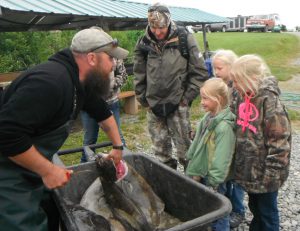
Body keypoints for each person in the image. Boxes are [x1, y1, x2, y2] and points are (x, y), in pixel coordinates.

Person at [0, 27, 128, 230]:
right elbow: (7, 135)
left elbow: (103, 114)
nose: (113, 65)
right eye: (110, 58)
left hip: (28, 168)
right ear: (92, 58)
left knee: (52, 213)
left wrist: (118, 147)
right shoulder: (50, 82)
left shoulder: (80, 81)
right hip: (7, 174)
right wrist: (48, 170)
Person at [133, 3, 209, 170]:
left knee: (187, 153)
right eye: (154, 28)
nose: (158, 32)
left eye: (162, 27)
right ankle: (167, 186)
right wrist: (143, 99)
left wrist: (186, 99)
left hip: (178, 105)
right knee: (161, 155)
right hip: (154, 106)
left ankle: (194, 187)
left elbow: (200, 72)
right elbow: (139, 74)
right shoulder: (143, 42)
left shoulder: (184, 38)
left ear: (169, 22)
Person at [230, 54, 291, 231]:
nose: (234, 85)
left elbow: (280, 142)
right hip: (249, 168)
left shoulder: (269, 101)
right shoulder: (241, 95)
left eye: (237, 81)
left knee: (267, 212)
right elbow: (231, 117)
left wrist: (271, 175)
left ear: (252, 79)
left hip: (267, 173)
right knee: (255, 207)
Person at [185, 78, 236, 231]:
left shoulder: (224, 127)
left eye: (206, 98)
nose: (201, 102)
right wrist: (191, 158)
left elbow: (222, 157)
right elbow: (199, 143)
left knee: (218, 211)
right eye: (202, 97)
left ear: (218, 99)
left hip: (214, 177)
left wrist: (214, 180)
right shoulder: (208, 118)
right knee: (207, 208)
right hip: (203, 170)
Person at [212, 49, 246, 228]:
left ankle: (238, 211)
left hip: (238, 140)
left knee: (237, 179)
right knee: (226, 176)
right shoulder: (219, 86)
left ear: (232, 67)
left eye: (220, 68)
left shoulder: (239, 88)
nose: (216, 72)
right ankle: (226, 208)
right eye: (214, 68)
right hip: (225, 140)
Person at [80, 58, 128, 162]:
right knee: (89, 139)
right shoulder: (85, 56)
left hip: (111, 102)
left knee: (118, 136)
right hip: (89, 105)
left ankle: (126, 162)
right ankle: (84, 164)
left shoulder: (115, 56)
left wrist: (110, 85)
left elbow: (123, 75)